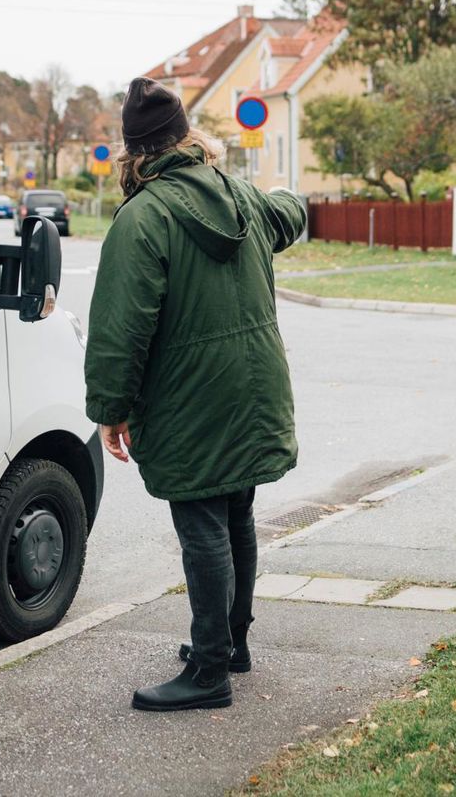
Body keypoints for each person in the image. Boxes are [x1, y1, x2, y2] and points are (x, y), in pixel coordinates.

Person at [84, 77, 306, 712]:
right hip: (256, 386)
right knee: (235, 509)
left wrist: (111, 409)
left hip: (191, 396)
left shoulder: (142, 218)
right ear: (188, 138)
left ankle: (210, 671)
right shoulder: (240, 197)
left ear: (135, 154)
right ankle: (231, 642)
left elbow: (121, 327)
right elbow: (292, 212)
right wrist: (285, 192)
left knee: (203, 520)